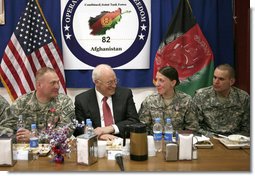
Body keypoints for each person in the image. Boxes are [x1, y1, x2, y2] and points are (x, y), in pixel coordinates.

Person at [0, 67, 75, 142]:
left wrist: (36, 137)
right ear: (39, 85)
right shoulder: (22, 103)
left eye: (58, 82)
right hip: (25, 150)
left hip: (55, 150)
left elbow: (66, 131)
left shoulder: (64, 102)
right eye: (53, 83)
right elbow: (4, 128)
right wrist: (19, 137)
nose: (57, 86)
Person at [75, 64, 139, 140]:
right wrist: (98, 136)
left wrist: (110, 128)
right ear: (97, 82)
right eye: (109, 83)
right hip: (96, 143)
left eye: (115, 81)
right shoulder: (82, 100)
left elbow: (134, 121)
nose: (114, 85)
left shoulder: (125, 94)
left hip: (121, 141)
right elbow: (78, 129)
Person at [189, 64, 250, 137]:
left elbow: (247, 127)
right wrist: (212, 137)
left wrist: (235, 138)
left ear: (231, 81)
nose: (216, 82)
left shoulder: (243, 97)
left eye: (221, 79)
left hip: (235, 141)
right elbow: (193, 125)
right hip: (209, 139)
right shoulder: (201, 95)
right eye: (214, 77)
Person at [138, 66, 196, 135]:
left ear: (173, 83)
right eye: (156, 80)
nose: (157, 84)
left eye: (161, 80)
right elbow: (142, 127)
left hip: (178, 142)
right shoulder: (150, 101)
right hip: (154, 141)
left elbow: (192, 129)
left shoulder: (186, 101)